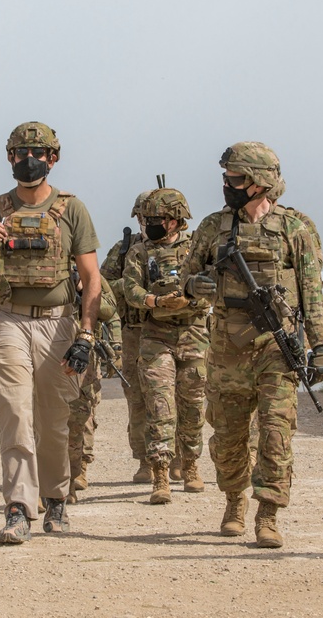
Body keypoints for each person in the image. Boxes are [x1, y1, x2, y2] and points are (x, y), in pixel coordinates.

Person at [181, 142, 323, 548]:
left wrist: (321, 345)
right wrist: (195, 285)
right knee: (228, 435)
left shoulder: (295, 229)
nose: (227, 184)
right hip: (227, 344)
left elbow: (312, 292)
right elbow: (186, 278)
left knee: (276, 430)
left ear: (259, 182)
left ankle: (267, 514)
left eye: (236, 178)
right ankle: (234, 501)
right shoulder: (213, 227)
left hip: (276, 345)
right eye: (227, 177)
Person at [0, 121, 100, 544]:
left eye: (38, 153)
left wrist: (86, 335)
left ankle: (55, 499)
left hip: (58, 322)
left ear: (53, 159)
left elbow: (91, 277)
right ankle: (19, 507)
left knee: (54, 420)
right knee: (15, 414)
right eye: (20, 152)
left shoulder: (72, 209)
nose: (29, 160)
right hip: (7, 319)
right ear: (9, 157)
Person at [124, 188, 210, 505]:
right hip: (155, 334)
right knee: (159, 404)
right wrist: (155, 300)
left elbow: (213, 282)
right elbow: (130, 287)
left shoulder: (197, 250)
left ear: (175, 220)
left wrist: (191, 297)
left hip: (194, 333)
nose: (149, 223)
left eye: (155, 218)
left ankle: (190, 465)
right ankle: (160, 474)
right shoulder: (140, 252)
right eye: (146, 219)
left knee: (191, 404)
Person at [101, 193, 154, 483]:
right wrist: (130, 285)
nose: (148, 222)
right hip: (133, 331)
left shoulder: (184, 247)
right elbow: (102, 286)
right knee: (137, 399)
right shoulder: (123, 250)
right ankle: (145, 461)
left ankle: (180, 459)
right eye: (144, 217)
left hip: (173, 330)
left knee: (179, 397)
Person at [65, 271, 118, 503]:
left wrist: (83, 289)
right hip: (47, 348)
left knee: (79, 418)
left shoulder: (87, 271)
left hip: (81, 355)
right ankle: (43, 481)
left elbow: (108, 310)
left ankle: (74, 474)